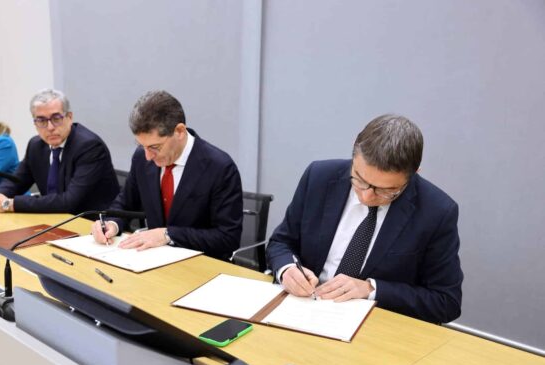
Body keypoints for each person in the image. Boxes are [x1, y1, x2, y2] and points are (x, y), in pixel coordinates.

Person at [267, 114, 463, 323]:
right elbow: (281, 242)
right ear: (354, 150)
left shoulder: (437, 212)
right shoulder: (319, 177)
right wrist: (287, 269)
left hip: (376, 325)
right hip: (303, 309)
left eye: (386, 191)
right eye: (359, 180)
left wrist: (371, 289)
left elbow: (446, 302)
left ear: (414, 172)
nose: (367, 196)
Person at [92, 90, 243, 261]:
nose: (148, 156)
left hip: (201, 264)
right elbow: (125, 204)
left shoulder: (219, 167)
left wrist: (168, 235)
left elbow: (227, 238)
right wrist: (111, 224)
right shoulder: (141, 158)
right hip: (152, 261)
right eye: (141, 145)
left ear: (179, 131)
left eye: (154, 147)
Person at [0, 89, 119, 213]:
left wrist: (7, 204)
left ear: (69, 117)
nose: (50, 127)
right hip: (53, 219)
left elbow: (69, 201)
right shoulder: (36, 146)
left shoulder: (89, 147)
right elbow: (16, 182)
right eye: (42, 121)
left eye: (56, 118)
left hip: (91, 224)